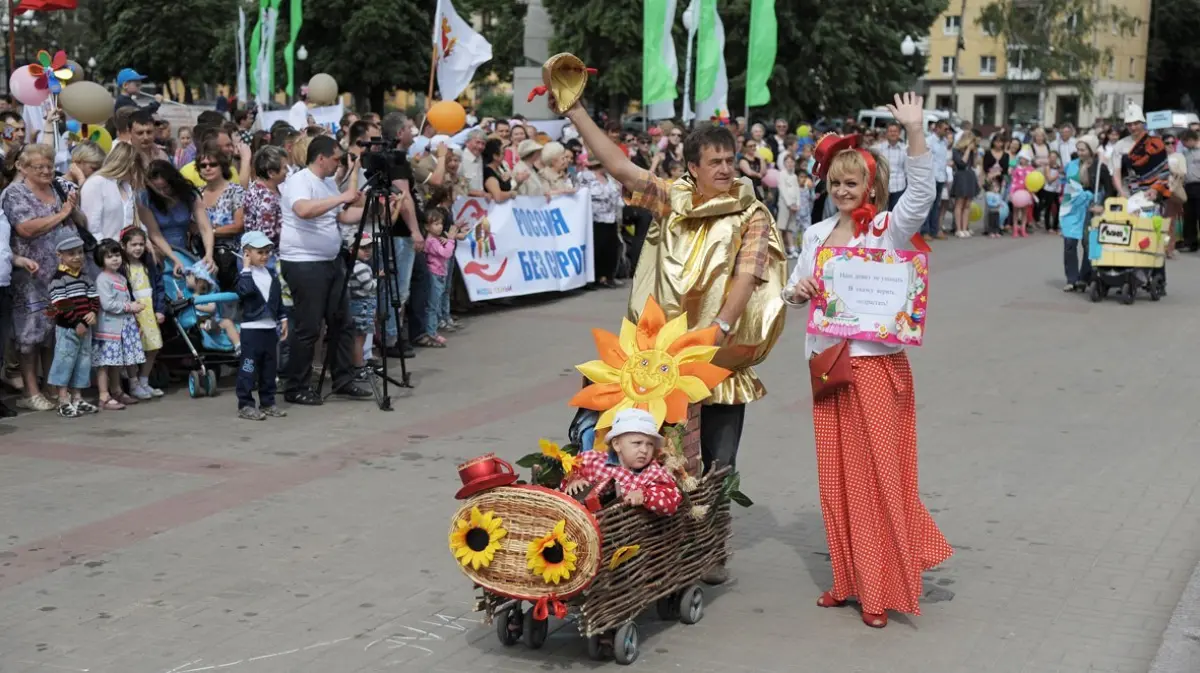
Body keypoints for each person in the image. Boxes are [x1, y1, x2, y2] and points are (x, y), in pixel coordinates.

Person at [557, 81, 787, 587]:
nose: (726, 169)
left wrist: (719, 328)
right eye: (715, 162)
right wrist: (574, 111)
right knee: (657, 456)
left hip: (717, 358)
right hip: (662, 364)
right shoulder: (672, 200)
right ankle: (661, 548)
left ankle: (712, 547)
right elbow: (619, 167)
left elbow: (749, 275)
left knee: (718, 461)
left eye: (730, 159)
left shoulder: (752, 212)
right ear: (692, 168)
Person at [786, 92, 951, 629]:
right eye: (835, 182)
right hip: (828, 365)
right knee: (835, 477)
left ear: (871, 186)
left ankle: (880, 589)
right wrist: (797, 289)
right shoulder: (814, 235)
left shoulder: (887, 228)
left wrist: (915, 131)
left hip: (877, 366)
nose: (841, 191)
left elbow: (922, 193)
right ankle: (848, 579)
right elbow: (793, 290)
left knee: (878, 475)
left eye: (851, 183)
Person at [278, 135, 376, 404]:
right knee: (309, 327)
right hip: (303, 261)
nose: (338, 164)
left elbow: (342, 215)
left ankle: (343, 379)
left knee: (342, 322)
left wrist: (372, 209)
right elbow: (303, 210)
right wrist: (343, 197)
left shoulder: (328, 183)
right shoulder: (300, 181)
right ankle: (296, 386)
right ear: (321, 157)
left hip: (330, 260)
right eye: (336, 158)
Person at [3, 145, 85, 411]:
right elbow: (25, 229)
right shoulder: (15, 193)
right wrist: (60, 214)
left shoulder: (58, 189)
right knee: (30, 335)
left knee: (54, 332)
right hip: (31, 275)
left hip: (61, 275)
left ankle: (52, 385)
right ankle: (31, 390)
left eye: (49, 165)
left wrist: (73, 207)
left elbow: (76, 223)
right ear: (22, 168)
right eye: (40, 167)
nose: (47, 170)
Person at [561, 408, 682, 516]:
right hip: (588, 525)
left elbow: (671, 501)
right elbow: (569, 472)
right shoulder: (594, 461)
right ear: (617, 444)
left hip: (630, 532)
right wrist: (574, 480)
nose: (644, 450)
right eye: (637, 443)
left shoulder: (654, 473)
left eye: (650, 444)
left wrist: (645, 495)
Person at [235, 230, 288, 421]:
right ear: (247, 253)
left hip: (268, 330)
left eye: (267, 252)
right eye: (260, 252)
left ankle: (268, 401)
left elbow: (277, 299)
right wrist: (246, 268)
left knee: (269, 368)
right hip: (251, 331)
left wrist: (283, 318)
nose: (265, 256)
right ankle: (245, 404)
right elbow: (246, 292)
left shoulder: (270, 274)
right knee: (248, 367)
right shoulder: (243, 276)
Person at [45, 232, 100, 417]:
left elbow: (93, 297)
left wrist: (93, 312)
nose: (77, 257)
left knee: (83, 362)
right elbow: (61, 304)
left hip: (85, 328)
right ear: (59, 255)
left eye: (79, 252)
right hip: (68, 329)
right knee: (64, 361)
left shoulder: (84, 277)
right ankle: (62, 399)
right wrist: (76, 322)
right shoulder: (58, 280)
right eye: (71, 253)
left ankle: (78, 397)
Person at [92, 239, 146, 411]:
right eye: (109, 257)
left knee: (116, 362)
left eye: (116, 255)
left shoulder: (121, 277)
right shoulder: (102, 279)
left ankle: (116, 390)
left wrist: (133, 309)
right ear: (101, 260)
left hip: (121, 327)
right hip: (108, 329)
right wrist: (130, 307)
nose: (115, 259)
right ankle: (103, 395)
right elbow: (107, 304)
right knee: (104, 363)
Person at [120, 227, 165, 398]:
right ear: (124, 246)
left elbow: (159, 287)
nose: (138, 248)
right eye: (133, 244)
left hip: (149, 311)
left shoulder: (149, 264)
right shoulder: (123, 267)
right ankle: (134, 384)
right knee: (133, 349)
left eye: (141, 244)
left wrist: (160, 309)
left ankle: (144, 381)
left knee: (153, 347)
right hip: (133, 312)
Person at [417, 209, 464, 348]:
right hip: (434, 274)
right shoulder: (431, 241)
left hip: (440, 274)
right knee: (432, 305)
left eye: (441, 224)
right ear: (427, 227)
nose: (440, 227)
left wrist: (448, 239)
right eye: (436, 224)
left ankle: (433, 330)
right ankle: (431, 332)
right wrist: (451, 239)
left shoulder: (436, 239)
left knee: (436, 304)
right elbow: (446, 253)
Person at [81, 142, 145, 244]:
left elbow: (132, 222)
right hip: (104, 253)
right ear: (132, 166)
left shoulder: (127, 188)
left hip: (125, 252)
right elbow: (92, 228)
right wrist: (107, 250)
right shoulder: (96, 183)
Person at [577, 155, 624, 287]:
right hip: (594, 218)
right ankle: (595, 277)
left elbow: (617, 198)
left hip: (610, 217)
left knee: (611, 248)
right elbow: (579, 194)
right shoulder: (585, 177)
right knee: (597, 248)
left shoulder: (610, 179)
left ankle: (608, 276)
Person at [244, 146, 289, 247]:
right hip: (268, 257)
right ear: (271, 173)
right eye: (284, 168)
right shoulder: (267, 199)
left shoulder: (256, 187)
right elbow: (267, 235)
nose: (287, 171)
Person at [347, 231, 378, 370]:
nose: (367, 251)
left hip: (359, 304)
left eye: (369, 247)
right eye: (363, 248)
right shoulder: (360, 267)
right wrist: (378, 279)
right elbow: (369, 287)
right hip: (362, 305)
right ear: (352, 250)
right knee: (359, 338)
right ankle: (358, 365)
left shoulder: (355, 265)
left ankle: (360, 363)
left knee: (360, 337)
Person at [923, 120, 952, 239]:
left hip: (941, 176)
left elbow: (942, 160)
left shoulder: (944, 142)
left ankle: (935, 230)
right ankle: (925, 231)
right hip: (931, 176)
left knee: (937, 205)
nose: (947, 132)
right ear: (938, 129)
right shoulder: (929, 141)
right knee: (927, 205)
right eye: (945, 129)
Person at [950, 132, 979, 238]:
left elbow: (975, 165)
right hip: (961, 175)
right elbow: (962, 163)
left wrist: (975, 153)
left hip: (970, 175)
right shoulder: (956, 151)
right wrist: (967, 150)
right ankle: (958, 229)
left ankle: (965, 227)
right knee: (959, 203)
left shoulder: (972, 151)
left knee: (967, 204)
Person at [873, 122, 908, 210]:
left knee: (895, 215)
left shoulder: (905, 149)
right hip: (883, 187)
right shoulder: (878, 148)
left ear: (899, 133)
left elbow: (907, 170)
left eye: (895, 131)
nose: (893, 133)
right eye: (890, 131)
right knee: (880, 214)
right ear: (886, 133)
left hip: (899, 186)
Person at [776, 154, 802, 257]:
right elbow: (782, 190)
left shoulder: (794, 176)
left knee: (790, 227)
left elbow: (797, 190)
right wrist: (789, 204)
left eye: (792, 162)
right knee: (782, 227)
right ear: (784, 164)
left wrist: (798, 203)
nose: (790, 164)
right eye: (788, 162)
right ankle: (780, 249)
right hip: (785, 204)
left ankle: (791, 248)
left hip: (794, 204)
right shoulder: (782, 174)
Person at [1182, 130, 1200, 253]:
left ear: (1191, 140)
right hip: (1188, 186)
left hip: (1199, 185)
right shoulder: (1185, 153)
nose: (1184, 144)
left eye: (1185, 142)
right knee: (1189, 216)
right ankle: (1191, 242)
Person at [482, 138, 516, 203]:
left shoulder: (499, 170)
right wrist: (511, 194)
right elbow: (498, 196)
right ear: (495, 156)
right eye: (503, 153)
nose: (504, 156)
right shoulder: (488, 172)